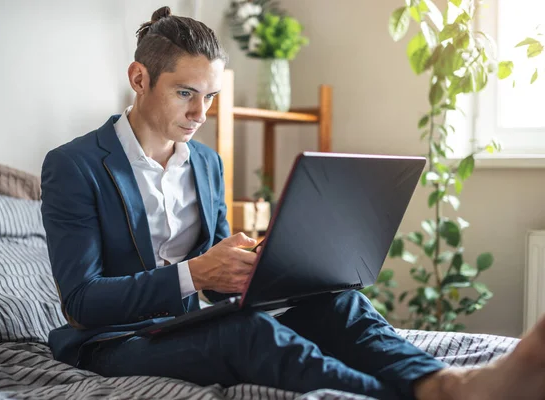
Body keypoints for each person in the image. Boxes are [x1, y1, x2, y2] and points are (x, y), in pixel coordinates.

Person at [40, 6, 545, 400]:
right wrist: (197, 274)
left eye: (211, 96)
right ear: (139, 79)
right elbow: (83, 302)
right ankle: (414, 396)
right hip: (115, 342)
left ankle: (442, 384)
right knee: (248, 333)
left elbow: (219, 284)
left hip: (187, 322)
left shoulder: (206, 164)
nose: (201, 113)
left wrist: (259, 265)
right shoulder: (75, 165)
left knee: (338, 303)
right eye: (186, 93)